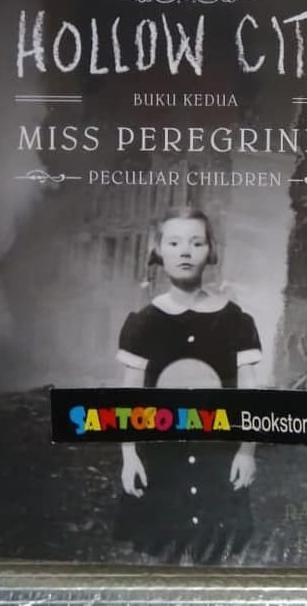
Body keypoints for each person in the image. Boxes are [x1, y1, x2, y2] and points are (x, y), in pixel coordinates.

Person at [113, 206, 263, 563]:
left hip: (218, 461)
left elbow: (251, 395)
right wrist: (129, 456)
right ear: (158, 251)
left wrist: (246, 452)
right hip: (160, 460)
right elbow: (128, 397)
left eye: (196, 243)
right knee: (160, 554)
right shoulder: (142, 323)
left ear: (210, 251)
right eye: (174, 243)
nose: (185, 252)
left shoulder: (237, 322)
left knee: (217, 555)